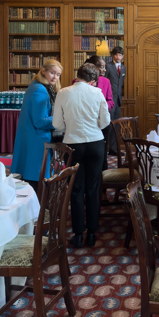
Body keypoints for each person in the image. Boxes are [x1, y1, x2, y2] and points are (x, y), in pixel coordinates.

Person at [53, 62, 110, 248]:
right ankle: (92, 233)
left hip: (73, 144)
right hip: (95, 143)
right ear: (93, 80)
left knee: (76, 189)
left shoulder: (63, 93)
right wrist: (93, 127)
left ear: (77, 76)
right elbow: (105, 121)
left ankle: (78, 234)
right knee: (93, 188)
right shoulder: (97, 93)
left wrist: (71, 128)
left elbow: (57, 124)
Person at [11, 59, 63, 190]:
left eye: (58, 75)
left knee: (30, 182)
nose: (55, 77)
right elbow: (40, 121)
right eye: (52, 73)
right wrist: (61, 118)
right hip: (37, 141)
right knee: (37, 185)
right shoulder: (40, 90)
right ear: (43, 71)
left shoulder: (35, 85)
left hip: (31, 137)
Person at [75, 54, 114, 169]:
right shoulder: (77, 82)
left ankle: (103, 172)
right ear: (93, 67)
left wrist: (101, 108)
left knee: (102, 151)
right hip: (84, 121)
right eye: (101, 67)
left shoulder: (106, 81)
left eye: (105, 67)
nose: (104, 69)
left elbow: (110, 101)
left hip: (101, 120)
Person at [105, 46, 126, 154]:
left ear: (122, 56)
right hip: (109, 100)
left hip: (118, 101)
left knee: (116, 125)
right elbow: (104, 82)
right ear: (113, 56)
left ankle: (113, 149)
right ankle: (105, 148)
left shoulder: (123, 68)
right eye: (116, 55)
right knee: (107, 125)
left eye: (120, 55)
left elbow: (120, 84)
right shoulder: (107, 66)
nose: (118, 57)